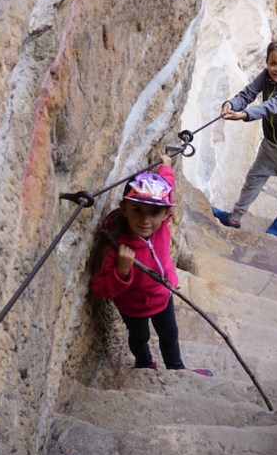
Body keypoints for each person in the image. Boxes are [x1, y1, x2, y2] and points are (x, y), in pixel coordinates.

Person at [90, 157, 210, 374]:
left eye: (154, 212)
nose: (145, 220)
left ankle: (177, 369)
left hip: (163, 295)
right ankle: (144, 362)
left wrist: (166, 166)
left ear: (167, 213)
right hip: (133, 307)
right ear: (124, 208)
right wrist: (121, 272)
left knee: (170, 334)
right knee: (139, 336)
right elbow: (99, 288)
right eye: (137, 210)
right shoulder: (117, 247)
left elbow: (168, 185)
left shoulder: (162, 226)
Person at [211, 38, 277, 237]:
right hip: (270, 144)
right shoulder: (266, 76)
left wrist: (244, 115)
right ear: (267, 62)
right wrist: (232, 104)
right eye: (273, 63)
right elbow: (248, 93)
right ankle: (234, 218)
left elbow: (272, 106)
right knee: (253, 180)